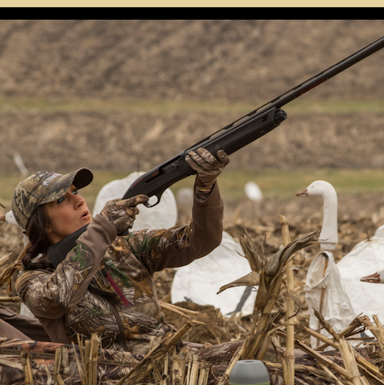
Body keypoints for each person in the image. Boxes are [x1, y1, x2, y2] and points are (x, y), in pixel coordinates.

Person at [12, 147, 229, 354]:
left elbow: (200, 240)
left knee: (246, 360)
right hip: (112, 373)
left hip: (170, 359)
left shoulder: (123, 247)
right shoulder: (32, 280)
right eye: (61, 200)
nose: (79, 200)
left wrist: (206, 188)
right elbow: (59, 297)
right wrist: (103, 229)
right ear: (43, 225)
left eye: (75, 191)